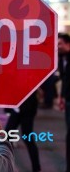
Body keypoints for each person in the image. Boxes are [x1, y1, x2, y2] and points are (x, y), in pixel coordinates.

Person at [5, 91, 41, 172]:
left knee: (27, 137)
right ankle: (6, 164)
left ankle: (36, 168)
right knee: (7, 136)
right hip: (17, 108)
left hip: (27, 107)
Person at [58, 32, 70, 172]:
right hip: (68, 100)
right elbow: (64, 80)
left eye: (60, 44)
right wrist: (61, 97)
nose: (58, 47)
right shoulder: (61, 58)